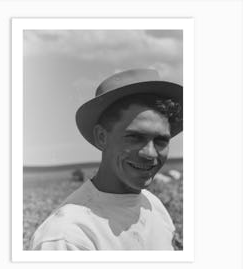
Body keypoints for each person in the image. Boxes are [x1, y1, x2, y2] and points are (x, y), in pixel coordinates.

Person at [30, 68, 183, 250]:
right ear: (102, 137)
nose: (150, 153)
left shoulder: (153, 205)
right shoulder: (68, 237)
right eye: (134, 137)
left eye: (161, 140)